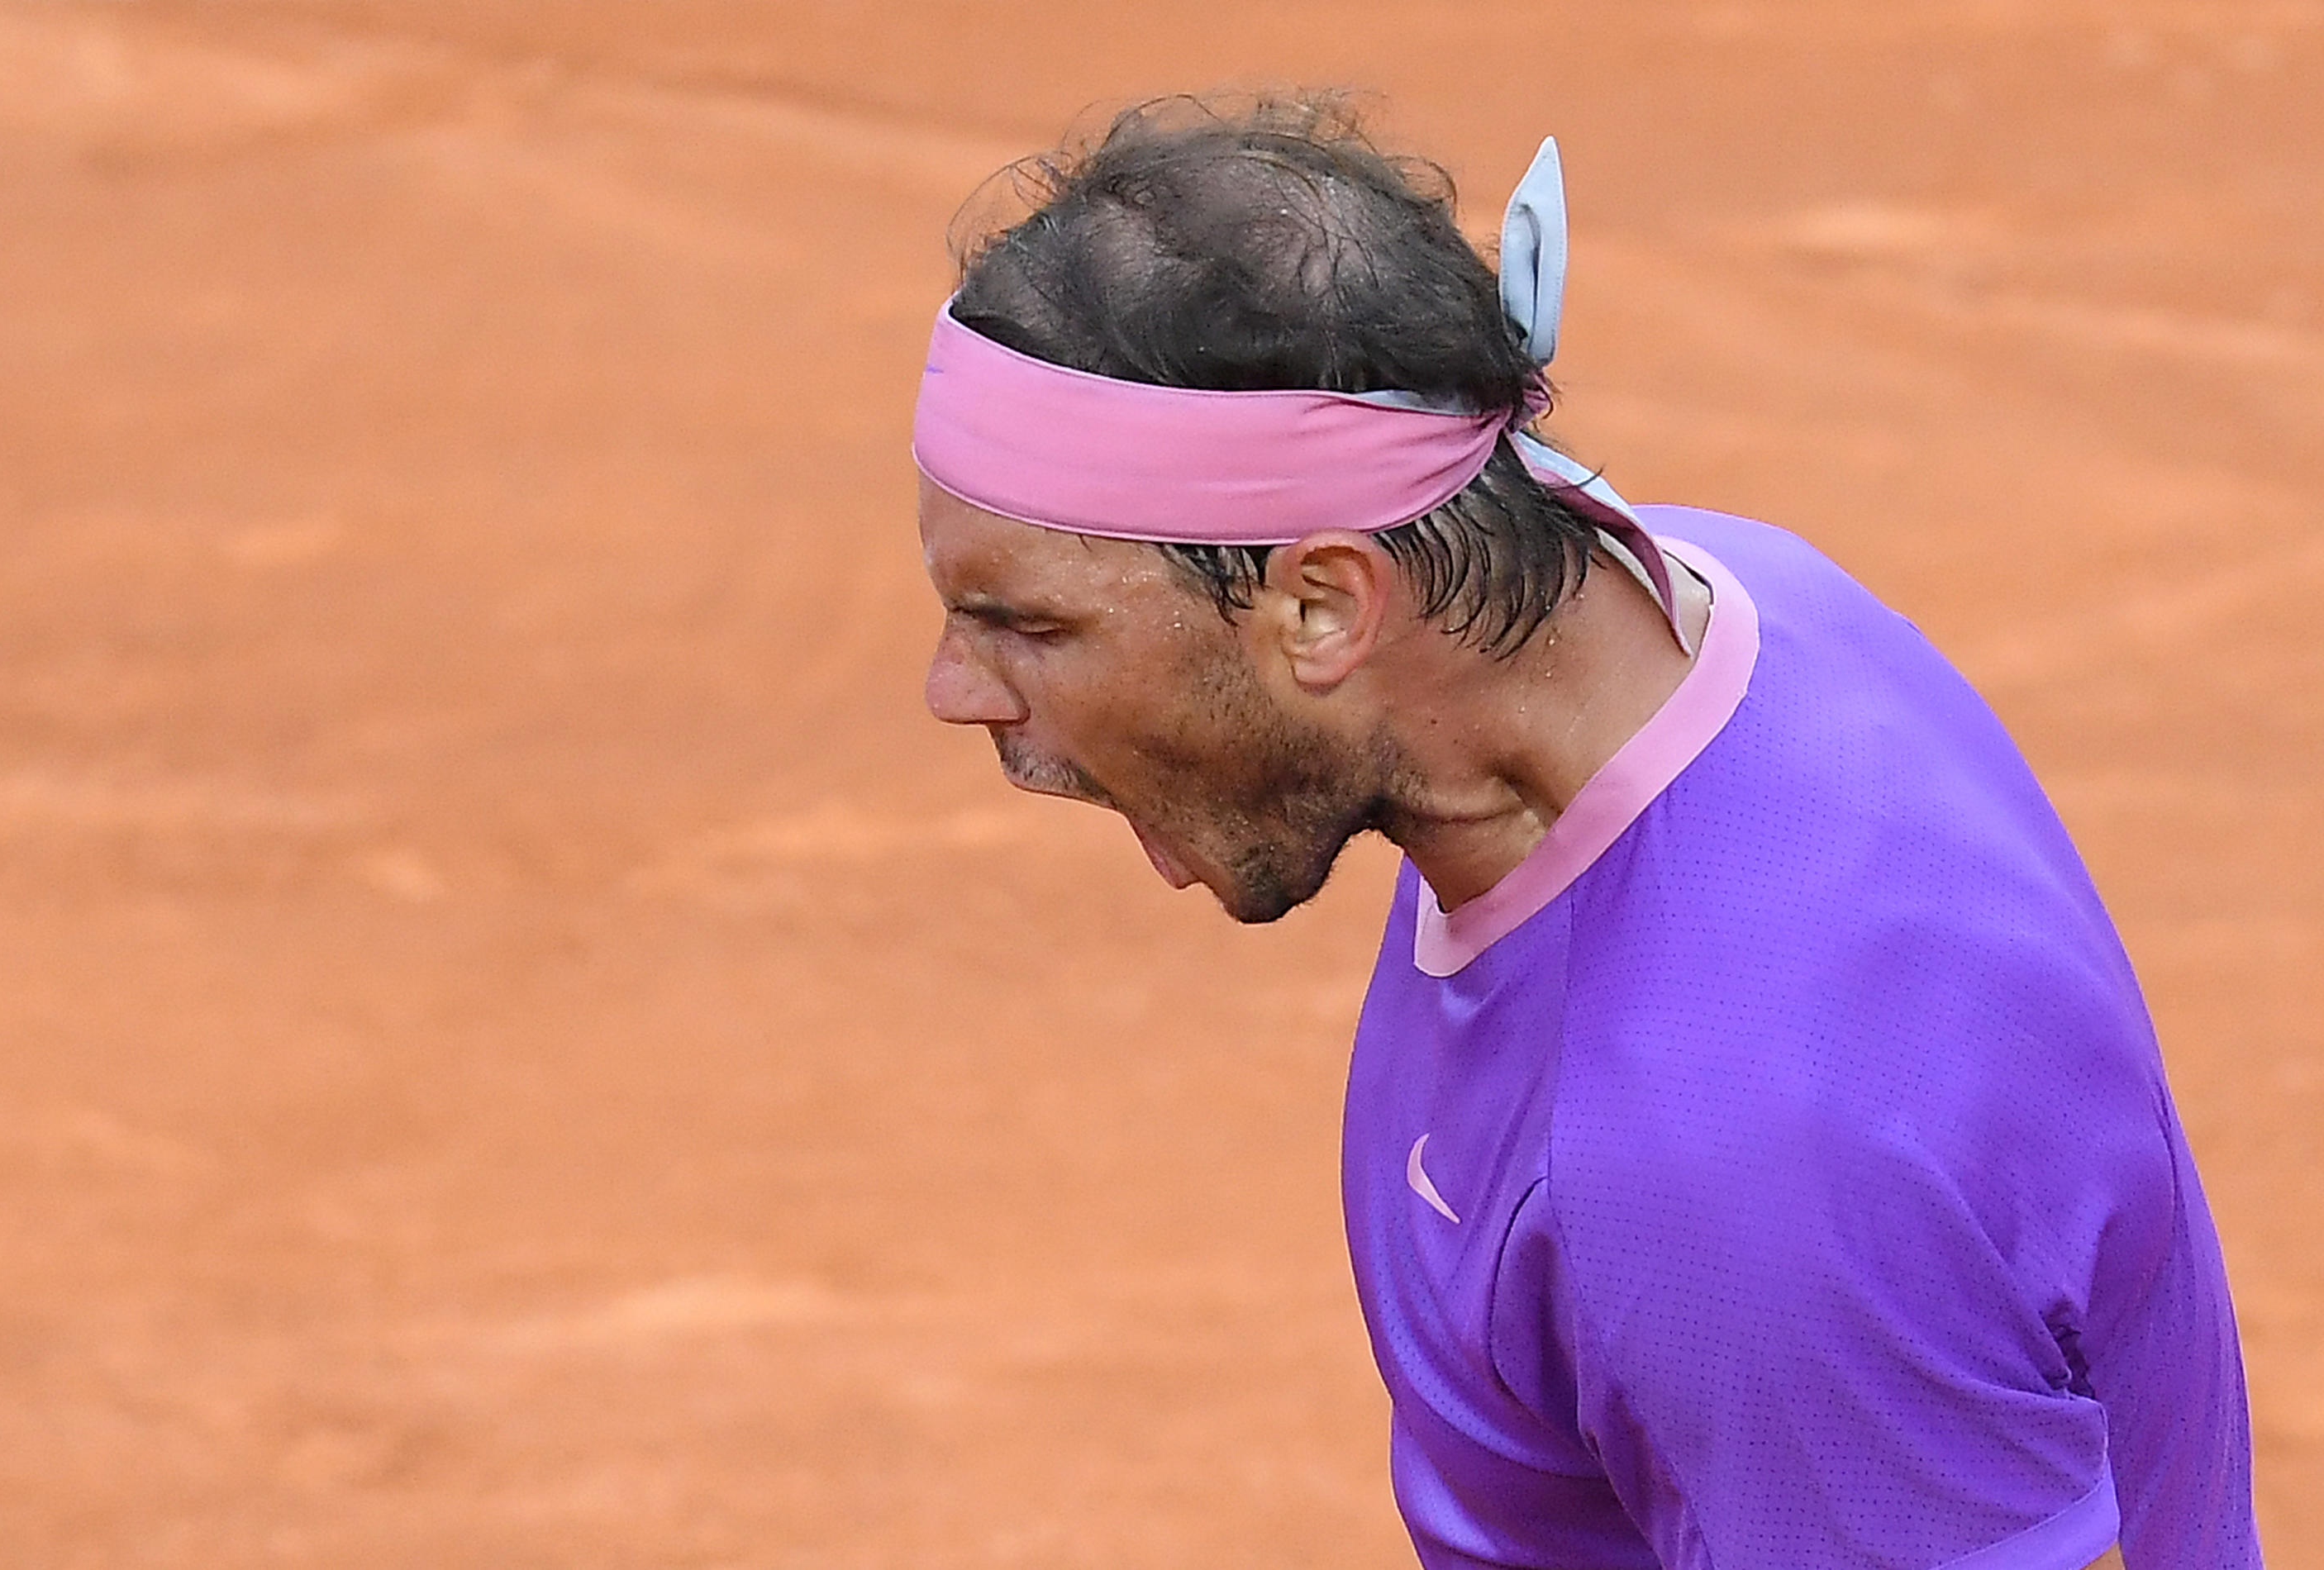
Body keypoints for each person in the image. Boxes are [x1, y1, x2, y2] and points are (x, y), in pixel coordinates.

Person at [908, 93, 2258, 1570]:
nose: (956, 689)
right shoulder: (1729, 599)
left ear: (1323, 605)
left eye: (1024, 622)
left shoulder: (1732, 1180)